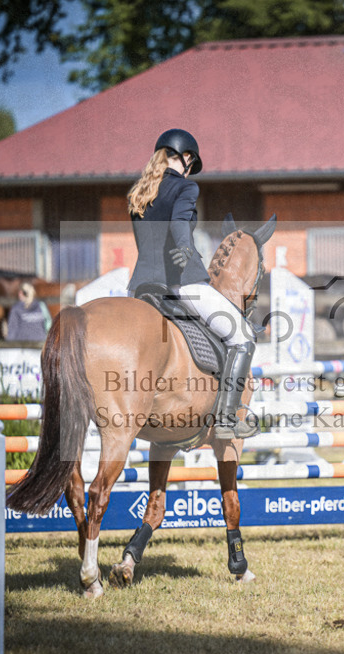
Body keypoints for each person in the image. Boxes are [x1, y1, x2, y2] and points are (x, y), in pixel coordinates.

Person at [127, 128, 256, 440]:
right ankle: (226, 418)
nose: (189, 166)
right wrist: (187, 253)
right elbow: (179, 224)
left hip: (139, 287)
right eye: (189, 161)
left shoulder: (139, 191)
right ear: (186, 158)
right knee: (243, 335)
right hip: (180, 282)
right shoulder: (186, 187)